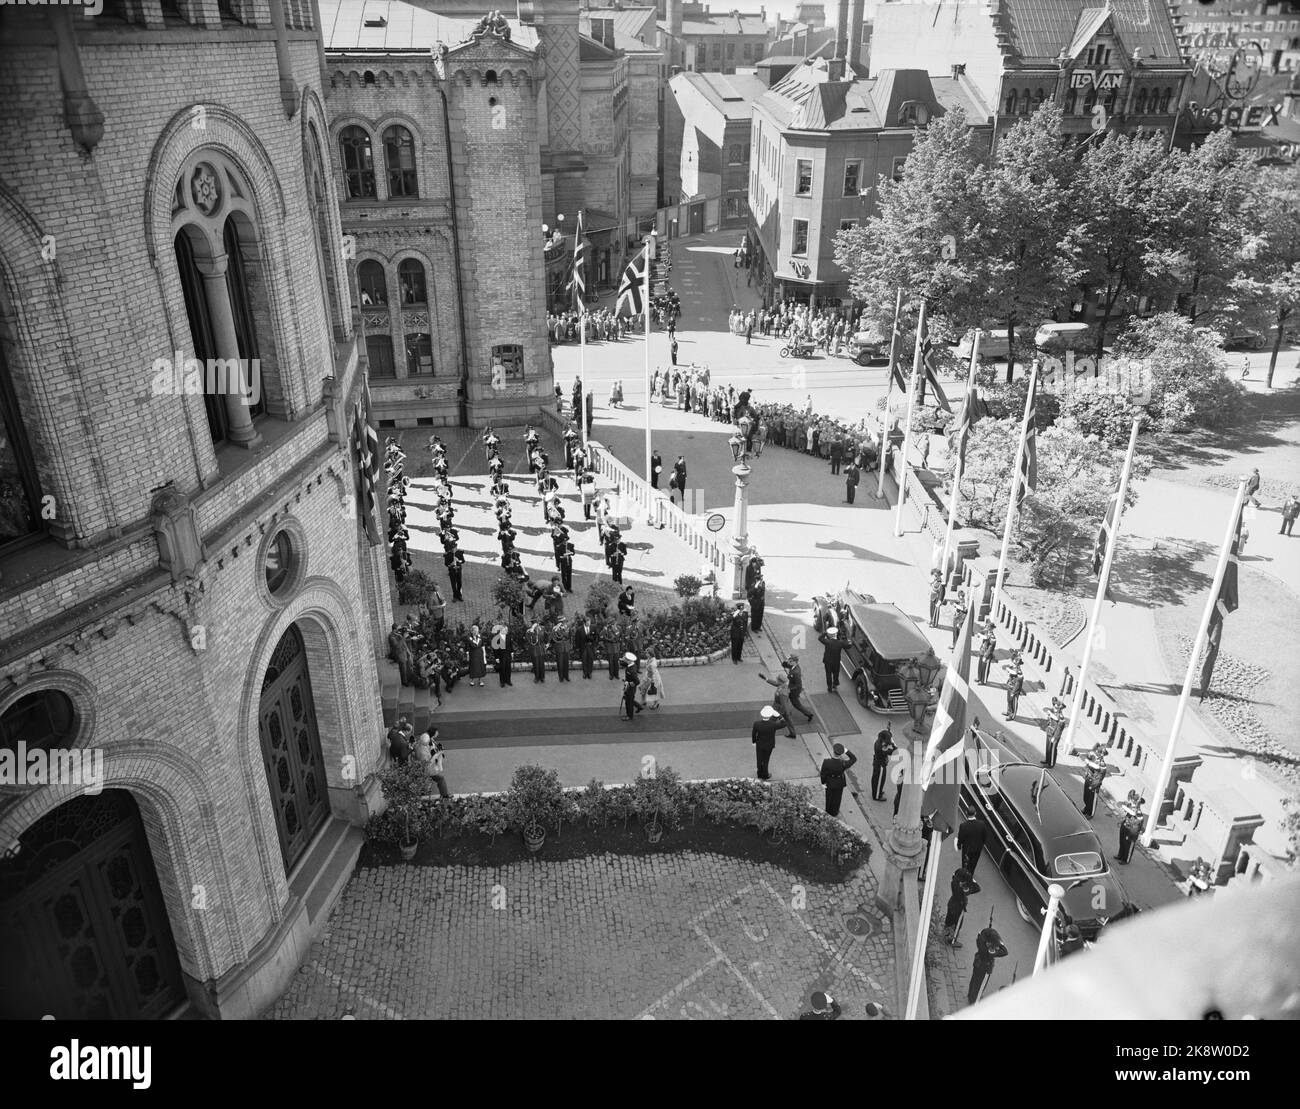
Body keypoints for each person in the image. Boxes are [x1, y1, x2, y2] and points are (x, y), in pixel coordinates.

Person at [968, 928, 1008, 1006]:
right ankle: (974, 1001)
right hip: (985, 967)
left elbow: (982, 934)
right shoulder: (989, 951)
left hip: (977, 961)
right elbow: (1005, 952)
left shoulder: (980, 939)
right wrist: (997, 948)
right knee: (980, 985)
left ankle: (970, 995)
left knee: (974, 980)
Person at [943, 867, 980, 948]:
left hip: (951, 904)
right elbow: (977, 888)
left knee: (949, 920)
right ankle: (953, 941)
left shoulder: (954, 882)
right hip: (959, 908)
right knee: (958, 925)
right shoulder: (963, 889)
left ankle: (945, 933)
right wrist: (971, 881)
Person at [759, 666, 799, 739]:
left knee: (771, 720)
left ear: (780, 681)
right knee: (788, 721)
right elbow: (775, 683)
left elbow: (784, 704)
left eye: (777, 679)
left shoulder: (782, 692)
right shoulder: (783, 685)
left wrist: (784, 713)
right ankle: (793, 733)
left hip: (780, 709)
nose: (776, 680)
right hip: (780, 708)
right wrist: (766, 679)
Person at [819, 743, 857, 817]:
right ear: (841, 754)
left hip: (829, 782)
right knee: (837, 798)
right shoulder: (843, 763)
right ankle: (834, 812)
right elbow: (854, 759)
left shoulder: (826, 762)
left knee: (829, 797)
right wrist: (846, 750)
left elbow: (823, 773)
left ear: (833, 752)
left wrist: (823, 783)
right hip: (839, 782)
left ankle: (828, 811)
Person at [1080, 743, 1113, 819]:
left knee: (1092, 799)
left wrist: (1093, 786)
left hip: (1094, 784)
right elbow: (1088, 760)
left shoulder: (1102, 764)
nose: (1095, 753)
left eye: (1097, 752)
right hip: (1089, 779)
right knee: (1086, 797)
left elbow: (1099, 778)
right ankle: (1086, 808)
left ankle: (1090, 813)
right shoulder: (1094, 758)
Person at [751, 704, 782, 780]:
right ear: (771, 715)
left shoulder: (756, 724)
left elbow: (754, 733)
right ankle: (765, 774)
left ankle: (759, 773)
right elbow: (784, 723)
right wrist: (779, 716)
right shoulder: (773, 725)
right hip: (769, 745)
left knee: (759, 759)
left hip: (759, 744)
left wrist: (754, 742)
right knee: (766, 760)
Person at [784, 655, 817, 723]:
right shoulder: (793, 666)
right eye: (789, 661)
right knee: (785, 699)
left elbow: (798, 685)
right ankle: (786, 711)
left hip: (794, 691)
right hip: (792, 687)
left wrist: (790, 689)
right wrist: (786, 660)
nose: (789, 662)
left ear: (795, 662)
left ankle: (809, 714)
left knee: (797, 705)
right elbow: (784, 665)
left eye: (790, 661)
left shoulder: (796, 672)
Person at [1117, 794, 1145, 864]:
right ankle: (1120, 855)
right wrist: (1121, 822)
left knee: (1128, 846)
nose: (1132, 802)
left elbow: (1138, 821)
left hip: (1131, 831)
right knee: (1122, 842)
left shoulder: (1138, 812)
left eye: (1134, 801)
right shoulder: (1131, 807)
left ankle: (1126, 860)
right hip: (1125, 827)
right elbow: (1126, 814)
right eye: (1133, 800)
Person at [871, 725, 895, 801]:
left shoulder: (879, 742)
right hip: (880, 765)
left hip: (879, 763)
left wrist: (888, 731)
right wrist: (894, 746)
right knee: (878, 780)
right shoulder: (881, 748)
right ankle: (877, 795)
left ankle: (879, 791)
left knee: (878, 779)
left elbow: (887, 741)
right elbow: (892, 751)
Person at [1043, 698, 1066, 768]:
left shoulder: (1061, 717)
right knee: (1048, 748)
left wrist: (1055, 737)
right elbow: (1050, 722)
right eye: (1053, 705)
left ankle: (1051, 763)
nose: (1053, 707)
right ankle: (1047, 760)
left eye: (1055, 707)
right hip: (1050, 732)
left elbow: (1059, 729)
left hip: (1054, 735)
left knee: (1052, 750)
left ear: (1059, 708)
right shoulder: (1053, 712)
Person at [492, 622, 512, 687]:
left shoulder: (508, 636)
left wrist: (512, 652)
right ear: (501, 630)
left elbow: (510, 645)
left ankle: (508, 680)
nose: (507, 631)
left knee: (508, 669)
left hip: (508, 655)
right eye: (505, 630)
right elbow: (495, 649)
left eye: (507, 630)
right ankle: (502, 682)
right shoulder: (496, 637)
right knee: (502, 669)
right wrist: (496, 658)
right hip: (501, 656)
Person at [527, 619, 547, 683]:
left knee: (541, 664)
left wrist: (547, 643)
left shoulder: (542, 628)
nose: (537, 624)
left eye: (537, 623)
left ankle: (542, 677)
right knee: (536, 664)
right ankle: (536, 677)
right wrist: (532, 629)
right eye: (535, 623)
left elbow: (546, 636)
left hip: (541, 649)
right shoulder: (529, 630)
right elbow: (528, 639)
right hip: (534, 649)